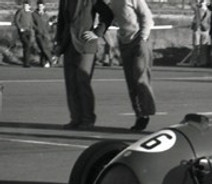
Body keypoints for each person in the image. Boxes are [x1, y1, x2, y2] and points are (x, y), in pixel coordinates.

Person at [54, 0, 113, 130]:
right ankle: (75, 118)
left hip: (86, 45)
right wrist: (58, 43)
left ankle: (87, 119)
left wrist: (97, 33)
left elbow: (108, 14)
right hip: (68, 45)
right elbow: (61, 22)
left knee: (82, 81)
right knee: (71, 84)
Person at [109, 0, 156, 131]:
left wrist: (143, 37)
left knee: (140, 78)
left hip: (139, 41)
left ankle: (145, 113)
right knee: (131, 82)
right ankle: (139, 115)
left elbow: (147, 16)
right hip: (125, 42)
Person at [32, 0, 53, 68]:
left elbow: (48, 24)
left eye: (41, 6)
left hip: (46, 34)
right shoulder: (33, 14)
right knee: (43, 48)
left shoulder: (46, 15)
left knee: (45, 48)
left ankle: (43, 62)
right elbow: (32, 23)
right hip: (38, 34)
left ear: (44, 6)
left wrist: (49, 31)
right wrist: (36, 29)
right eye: (39, 6)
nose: (40, 7)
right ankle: (51, 60)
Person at [190, 0, 211, 67]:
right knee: (196, 45)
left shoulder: (209, 11)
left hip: (205, 30)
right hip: (197, 29)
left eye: (203, 2)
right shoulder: (197, 9)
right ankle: (194, 62)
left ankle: (203, 62)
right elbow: (192, 4)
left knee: (204, 47)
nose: (202, 3)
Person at [13, 0, 34, 68]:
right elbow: (16, 20)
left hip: (29, 31)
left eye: (27, 5)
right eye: (24, 5)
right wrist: (20, 28)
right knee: (27, 45)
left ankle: (26, 62)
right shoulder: (20, 11)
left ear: (29, 6)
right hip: (22, 31)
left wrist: (31, 29)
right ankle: (26, 62)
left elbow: (31, 22)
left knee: (27, 46)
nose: (25, 7)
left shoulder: (30, 13)